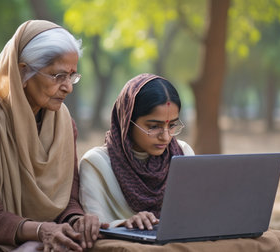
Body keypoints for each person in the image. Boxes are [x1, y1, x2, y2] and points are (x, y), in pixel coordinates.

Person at [0, 20, 106, 252]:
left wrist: (78, 220)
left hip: (42, 240)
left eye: (72, 76)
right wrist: (41, 231)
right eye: (58, 76)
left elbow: (68, 202)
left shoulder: (65, 125)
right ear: (23, 71)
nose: (68, 87)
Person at [78, 73, 194, 230]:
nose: (166, 137)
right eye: (153, 126)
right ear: (126, 120)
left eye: (172, 125)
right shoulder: (96, 163)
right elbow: (95, 225)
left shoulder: (183, 153)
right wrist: (127, 223)